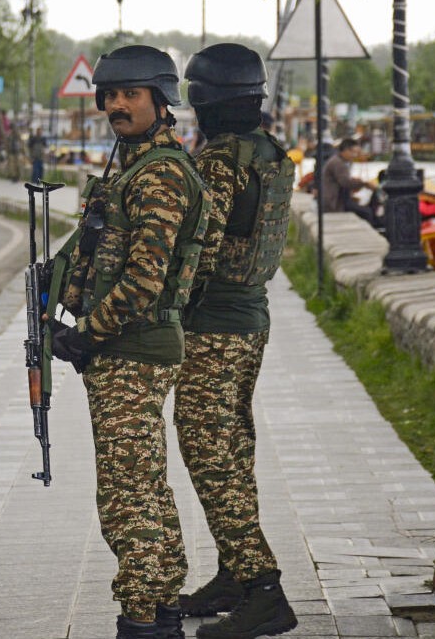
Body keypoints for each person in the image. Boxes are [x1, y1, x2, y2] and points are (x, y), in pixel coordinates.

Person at [46, 45, 210, 639]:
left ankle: (141, 617)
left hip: (132, 349)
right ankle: (161, 603)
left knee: (126, 493)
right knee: (145, 480)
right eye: (110, 95)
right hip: (133, 345)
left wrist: (86, 335)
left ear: (160, 102)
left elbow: (143, 279)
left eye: (131, 94)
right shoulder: (135, 164)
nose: (117, 104)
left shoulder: (159, 174)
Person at [175, 42, 298, 639]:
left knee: (206, 447)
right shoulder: (273, 154)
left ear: (203, 100)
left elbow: (198, 250)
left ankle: (263, 587)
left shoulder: (219, 162)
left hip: (215, 325)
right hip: (253, 321)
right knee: (234, 446)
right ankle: (232, 573)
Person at [320, 138, 377, 226]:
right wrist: (364, 184)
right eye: (354, 152)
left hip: (338, 200)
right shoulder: (338, 163)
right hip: (335, 203)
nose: (355, 155)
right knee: (367, 213)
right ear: (346, 150)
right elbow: (345, 182)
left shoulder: (340, 161)